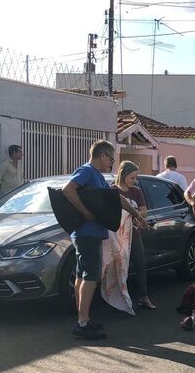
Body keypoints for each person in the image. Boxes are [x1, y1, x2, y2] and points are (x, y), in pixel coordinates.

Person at [62, 140, 147, 340]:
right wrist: (85, 212)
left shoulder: (97, 177)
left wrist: (137, 215)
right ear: (102, 155)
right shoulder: (88, 171)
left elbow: (116, 198)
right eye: (110, 158)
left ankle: (83, 318)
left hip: (88, 233)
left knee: (83, 276)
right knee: (90, 277)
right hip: (88, 233)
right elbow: (68, 189)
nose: (111, 164)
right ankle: (82, 323)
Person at [111, 161, 156, 310]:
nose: (134, 181)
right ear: (123, 175)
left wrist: (131, 212)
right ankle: (116, 297)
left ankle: (144, 297)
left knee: (140, 264)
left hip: (134, 233)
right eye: (132, 177)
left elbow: (144, 211)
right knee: (116, 266)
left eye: (136, 178)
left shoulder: (136, 191)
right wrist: (131, 212)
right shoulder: (112, 190)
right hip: (115, 235)